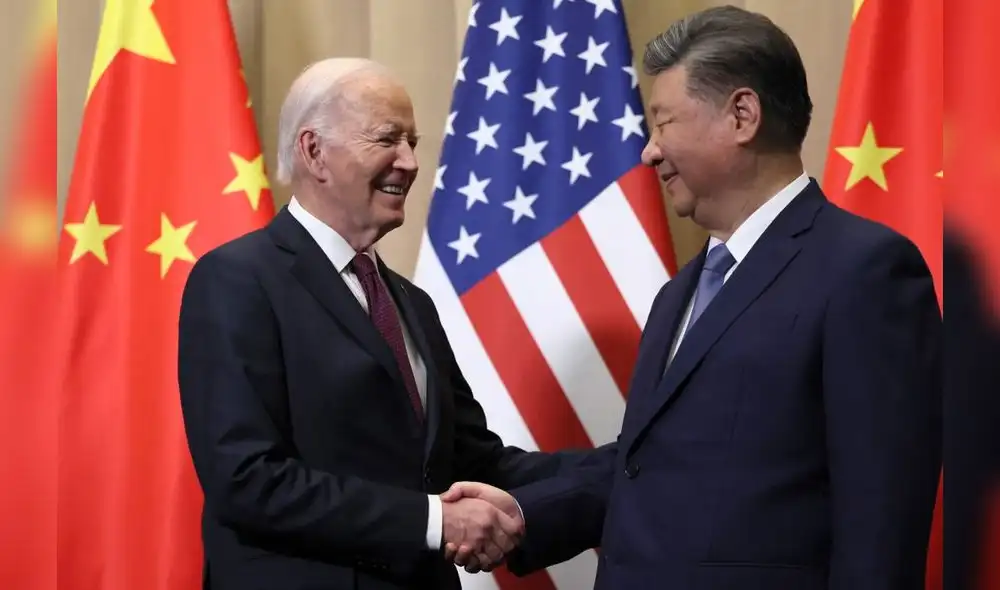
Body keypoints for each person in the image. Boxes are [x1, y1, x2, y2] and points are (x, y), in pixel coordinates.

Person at [442, 6, 942, 589]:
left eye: (663, 123)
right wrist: (523, 513)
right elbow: (650, 464)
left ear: (742, 115)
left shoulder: (864, 270)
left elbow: (882, 519)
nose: (649, 152)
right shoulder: (679, 292)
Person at [176, 57, 581, 590]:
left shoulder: (411, 303)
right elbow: (247, 480)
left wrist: (627, 466)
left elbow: (472, 461)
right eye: (387, 139)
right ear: (314, 151)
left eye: (412, 142)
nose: (409, 162)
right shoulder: (238, 280)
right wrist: (434, 522)